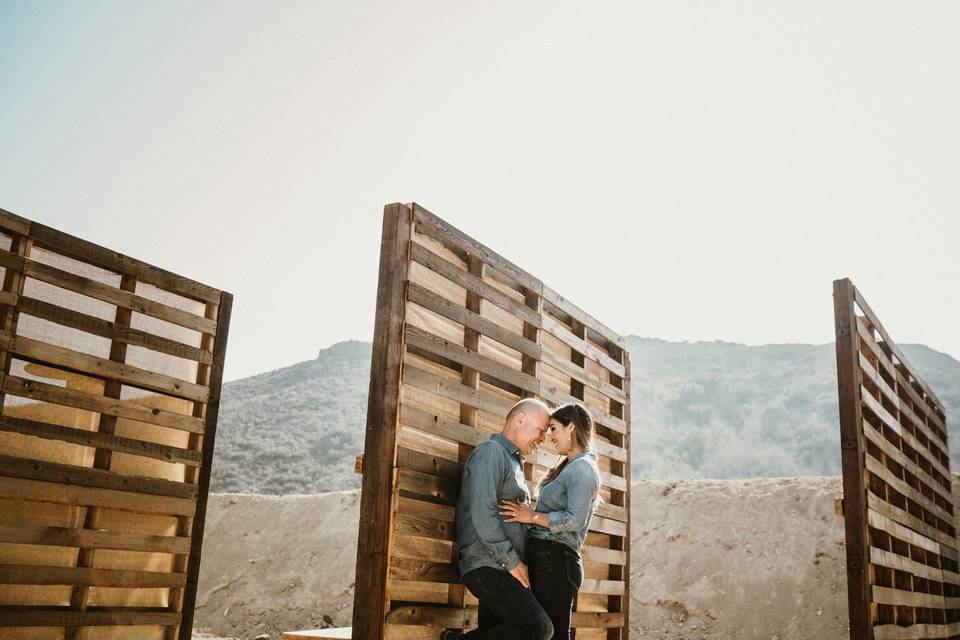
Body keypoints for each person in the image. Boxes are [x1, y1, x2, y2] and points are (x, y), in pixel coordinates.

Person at [443, 398, 554, 640]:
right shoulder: (491, 453)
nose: (543, 439)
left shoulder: (514, 462)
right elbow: (483, 513)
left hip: (502, 567)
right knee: (540, 629)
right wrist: (512, 561)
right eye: (541, 430)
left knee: (492, 633)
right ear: (521, 419)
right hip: (489, 566)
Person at [499, 403, 601, 640]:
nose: (549, 437)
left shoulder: (584, 469)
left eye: (553, 429)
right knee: (538, 631)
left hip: (556, 561)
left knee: (550, 634)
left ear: (571, 427)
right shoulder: (568, 467)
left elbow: (574, 521)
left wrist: (530, 516)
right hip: (547, 559)